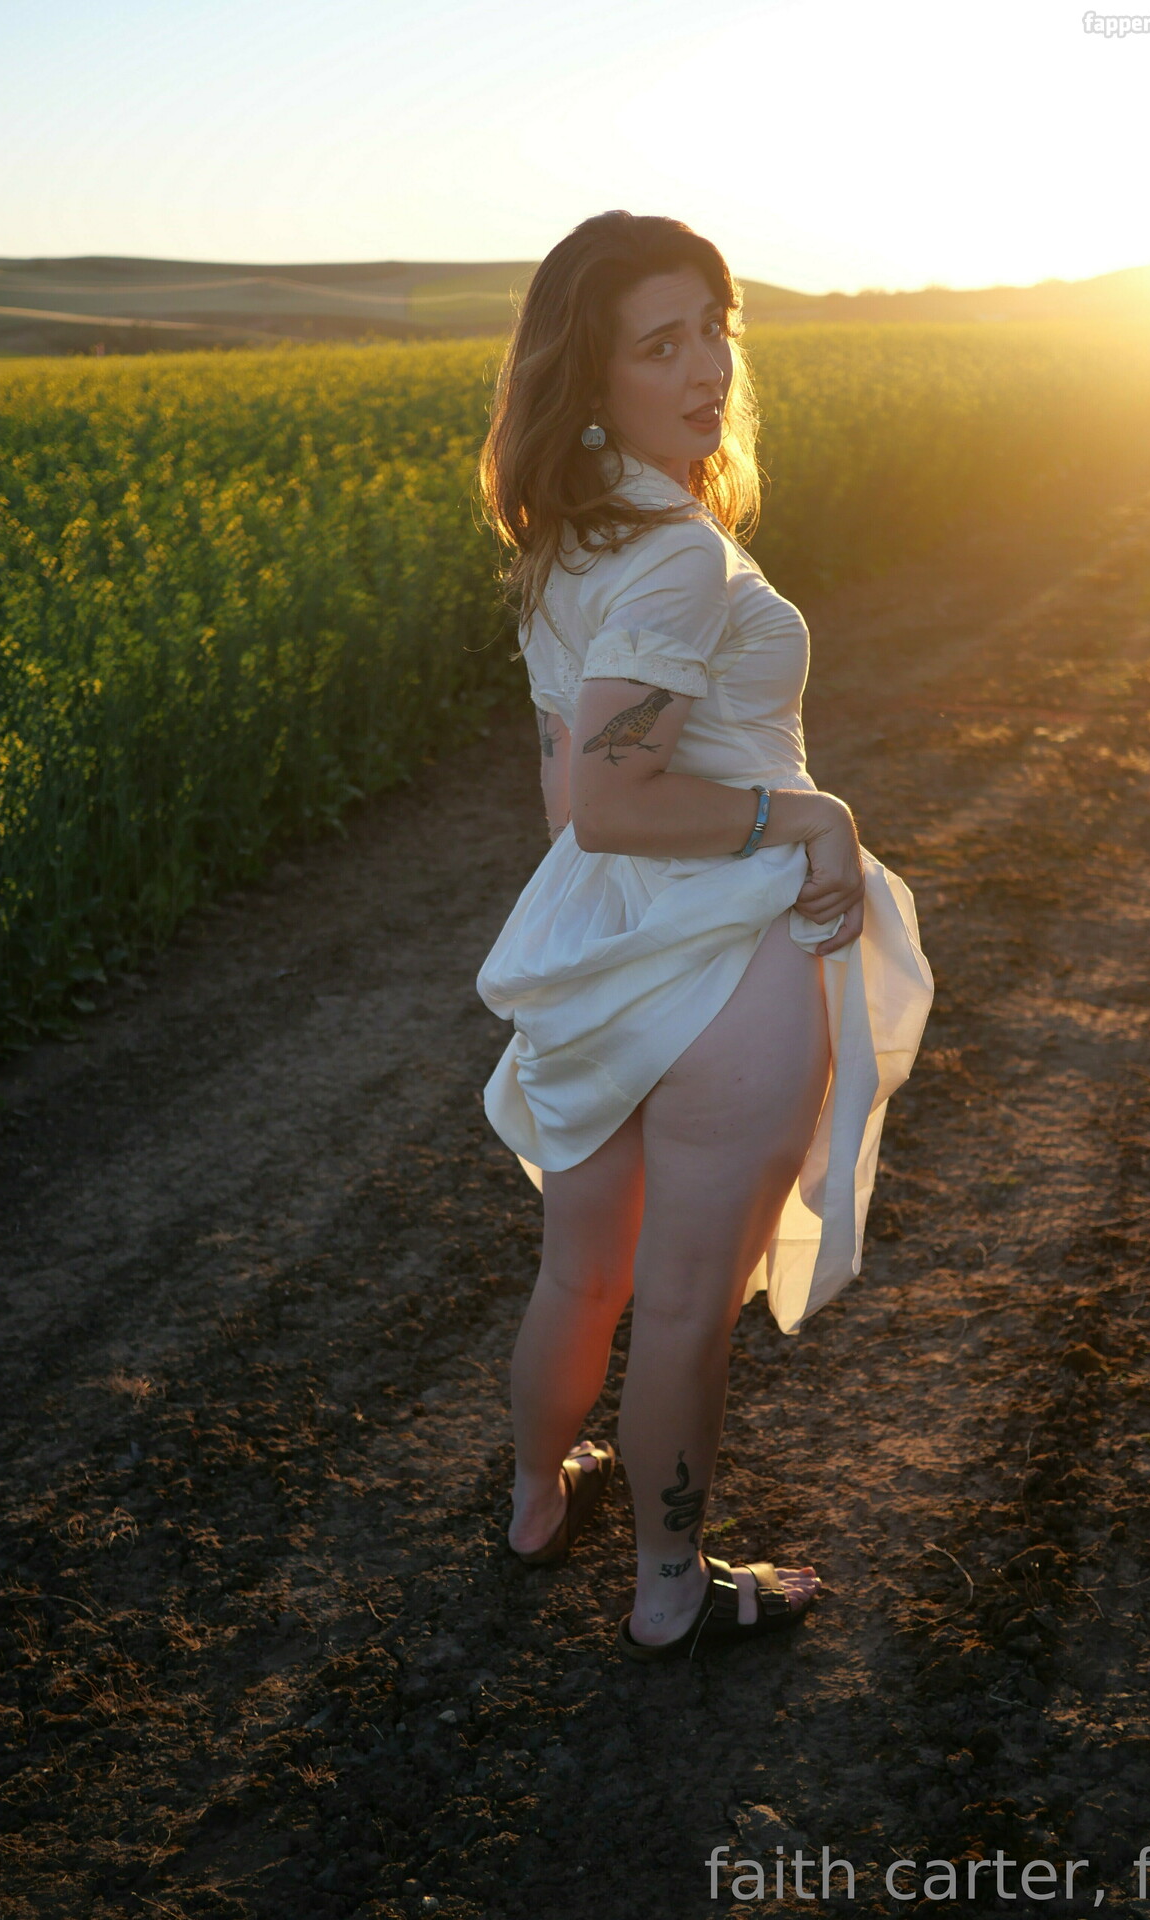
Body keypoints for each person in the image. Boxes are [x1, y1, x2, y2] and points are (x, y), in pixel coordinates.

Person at [474, 212, 932, 1661]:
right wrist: (809, 818)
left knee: (582, 1273)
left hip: (603, 954)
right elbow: (617, 800)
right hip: (727, 959)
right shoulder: (675, 557)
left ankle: (537, 1503)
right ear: (589, 377)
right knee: (681, 1306)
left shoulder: (569, 541)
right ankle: (672, 1592)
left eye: (715, 331)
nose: (707, 370)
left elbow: (569, 802)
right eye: (660, 345)